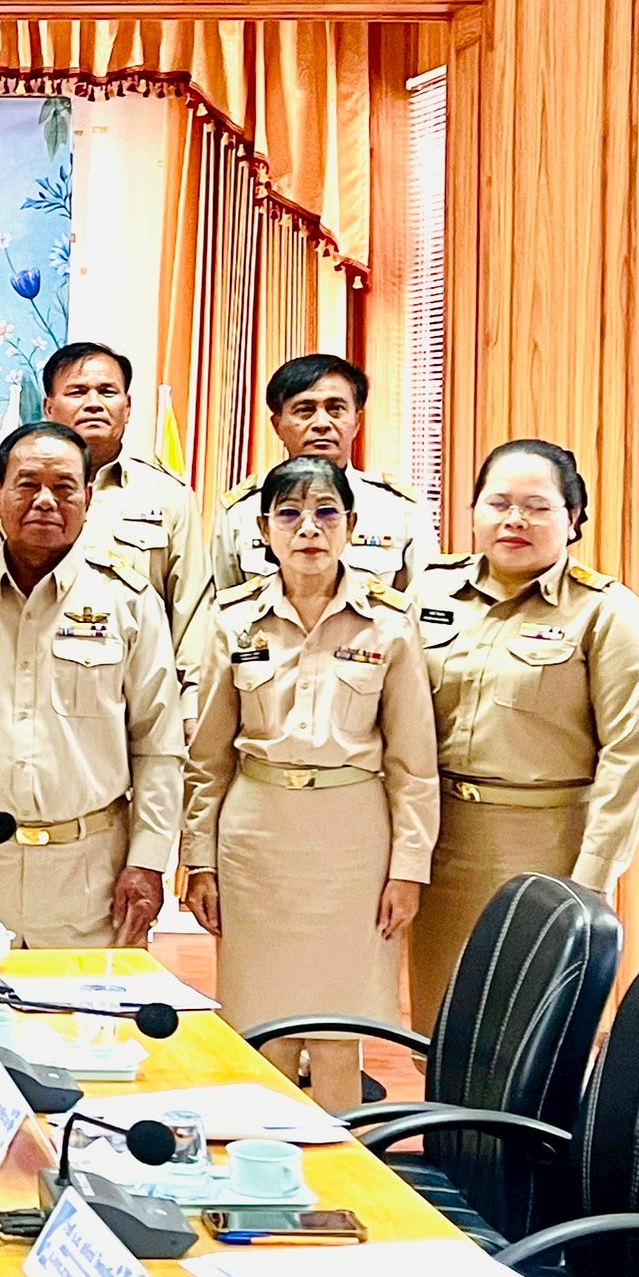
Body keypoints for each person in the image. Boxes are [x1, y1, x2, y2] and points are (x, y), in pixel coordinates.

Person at [183, 457, 438, 1111]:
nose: (308, 529)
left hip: (352, 844)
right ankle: (264, 1155)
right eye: (290, 514)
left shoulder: (389, 622)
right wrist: (200, 861)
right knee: (260, 1025)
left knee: (338, 1030)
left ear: (350, 523)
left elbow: (413, 764)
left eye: (325, 512)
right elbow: (207, 758)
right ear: (263, 529)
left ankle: (341, 1157)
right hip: (257, 841)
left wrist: (408, 869)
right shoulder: (232, 620)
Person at [405, 440, 639, 1033]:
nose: (514, 520)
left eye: (537, 506)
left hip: (546, 848)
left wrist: (592, 877)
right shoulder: (430, 593)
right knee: (442, 1026)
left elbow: (630, 754)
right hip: (440, 843)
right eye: (498, 503)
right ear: (473, 512)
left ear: (573, 519)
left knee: (533, 1034)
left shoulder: (605, 612)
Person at [0, 422, 185, 947]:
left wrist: (148, 862)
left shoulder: (128, 601)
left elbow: (158, 745)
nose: (46, 501)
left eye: (64, 487)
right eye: (28, 484)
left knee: (88, 1005)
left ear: (89, 499)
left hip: (92, 878)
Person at [40, 341, 209, 686]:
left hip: (137, 693)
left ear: (127, 407)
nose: (93, 403)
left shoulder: (170, 497)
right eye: (77, 392)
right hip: (33, 685)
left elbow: (193, 616)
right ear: (48, 407)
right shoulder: (6, 495)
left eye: (107, 392)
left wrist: (191, 698)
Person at [211, 354, 432, 592]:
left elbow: (425, 604)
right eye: (305, 411)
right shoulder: (241, 512)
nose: (321, 423)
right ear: (277, 426)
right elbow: (223, 606)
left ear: (356, 422)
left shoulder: (400, 510)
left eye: (336, 409)